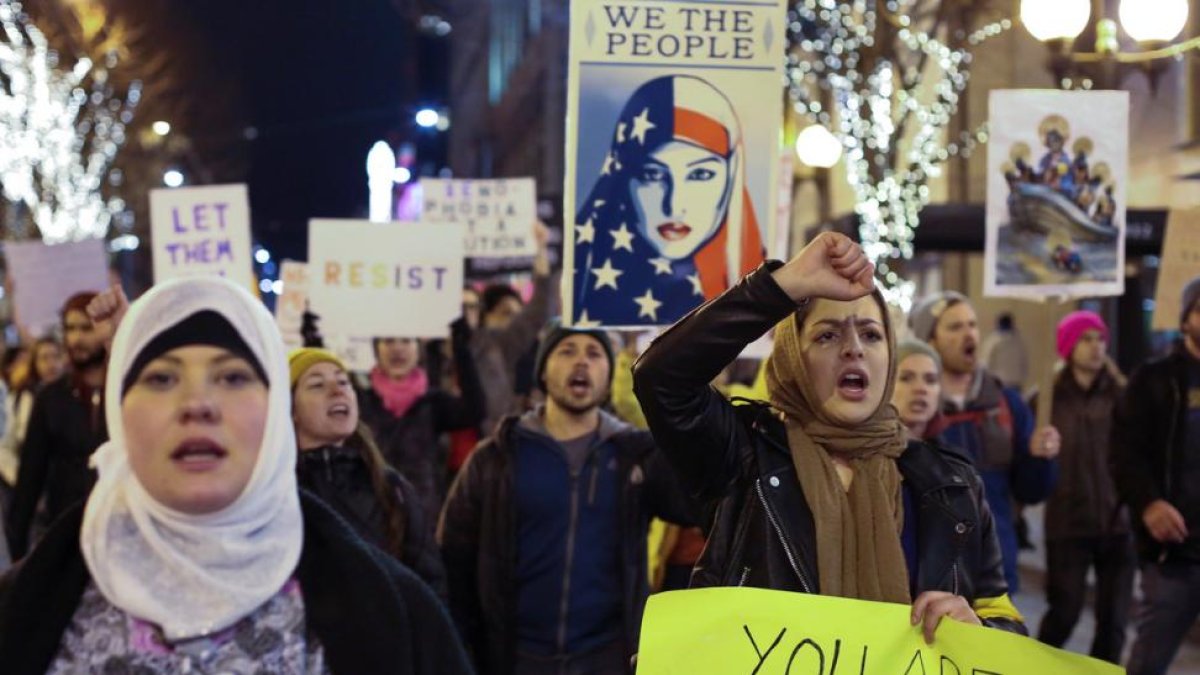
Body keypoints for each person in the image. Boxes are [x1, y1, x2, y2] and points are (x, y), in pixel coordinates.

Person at [0, 276, 471, 674]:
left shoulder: (399, 616)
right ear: (121, 410)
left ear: (275, 411)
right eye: (161, 379)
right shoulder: (26, 605)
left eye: (232, 378)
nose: (197, 404)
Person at [633, 233, 1024, 646]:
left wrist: (981, 630)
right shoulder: (744, 459)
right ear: (793, 359)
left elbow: (1005, 621)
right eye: (827, 335)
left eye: (872, 335)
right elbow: (661, 379)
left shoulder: (952, 482)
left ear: (889, 356)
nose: (854, 349)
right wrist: (785, 285)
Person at [439, 320, 694, 674]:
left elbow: (697, 504)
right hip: (513, 657)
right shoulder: (496, 458)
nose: (581, 363)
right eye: (566, 351)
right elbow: (454, 557)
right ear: (543, 370)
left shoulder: (635, 456)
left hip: (607, 657)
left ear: (609, 376)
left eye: (594, 353)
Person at [570, 74, 764, 326]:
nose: (673, 205)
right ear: (623, 175)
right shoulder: (587, 284)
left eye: (700, 174)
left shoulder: (763, 287)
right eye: (652, 174)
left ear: (731, 175)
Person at [910, 290, 1059, 592]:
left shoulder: (1006, 403)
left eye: (972, 324)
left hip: (995, 574)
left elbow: (1031, 491)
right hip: (930, 580)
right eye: (954, 327)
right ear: (930, 340)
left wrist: (1040, 458)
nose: (969, 334)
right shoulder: (914, 409)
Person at [289, 347, 447, 597]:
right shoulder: (276, 492)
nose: (337, 390)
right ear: (291, 410)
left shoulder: (392, 489)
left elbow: (430, 584)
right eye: (317, 385)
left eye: (343, 382)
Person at [1032, 311, 1133, 664]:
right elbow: (1029, 457)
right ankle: (1035, 669)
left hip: (1118, 522)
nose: (1096, 346)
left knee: (1114, 623)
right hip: (1067, 521)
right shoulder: (1046, 398)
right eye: (1086, 339)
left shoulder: (1123, 394)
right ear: (1068, 346)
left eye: (1100, 338)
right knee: (1065, 613)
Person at [1114, 276, 1200, 675]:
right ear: (1186, 319)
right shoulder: (1153, 379)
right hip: (1174, 554)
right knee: (1148, 662)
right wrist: (1149, 502)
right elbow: (1125, 453)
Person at [6, 292, 110, 559]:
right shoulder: (51, 398)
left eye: (86, 328)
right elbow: (30, 478)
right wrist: (18, 556)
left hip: (118, 533)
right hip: (66, 535)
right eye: (70, 328)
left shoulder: (129, 391)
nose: (76, 338)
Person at [361, 317, 484, 521]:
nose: (398, 349)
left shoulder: (432, 402)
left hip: (425, 518)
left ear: (418, 349)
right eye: (389, 340)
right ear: (376, 349)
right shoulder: (361, 401)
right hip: (372, 516)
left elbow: (475, 411)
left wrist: (462, 350)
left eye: (407, 341)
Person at [472, 221, 552, 436]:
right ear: (485, 317)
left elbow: (539, 308)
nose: (516, 322)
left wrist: (541, 249)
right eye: (505, 313)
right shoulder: (470, 346)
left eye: (519, 315)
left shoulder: (532, 353)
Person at [0, 337, 65, 489]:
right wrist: (23, 481)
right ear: (34, 364)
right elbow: (4, 447)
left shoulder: (75, 396)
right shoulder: (22, 399)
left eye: (56, 356)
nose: (51, 364)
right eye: (44, 358)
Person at [979, 312, 1029, 390]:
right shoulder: (1019, 341)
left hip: (998, 384)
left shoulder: (993, 340)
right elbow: (1024, 364)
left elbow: (986, 362)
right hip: (1015, 383)